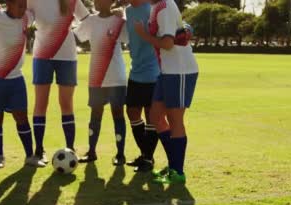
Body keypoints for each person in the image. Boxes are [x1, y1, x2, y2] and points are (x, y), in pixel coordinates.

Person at [134, 0, 198, 184]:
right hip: (167, 71)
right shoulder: (157, 7)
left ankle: (177, 171)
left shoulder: (164, 6)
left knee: (175, 119)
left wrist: (143, 35)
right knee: (155, 116)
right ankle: (173, 165)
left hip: (180, 70)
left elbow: (168, 44)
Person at [0, 0, 46, 168]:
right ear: (8, 3)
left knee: (21, 117)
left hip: (15, 79)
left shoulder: (26, 18)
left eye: (24, 5)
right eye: (19, 5)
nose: (23, 9)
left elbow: (36, 8)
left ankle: (30, 156)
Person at [28, 0, 90, 163]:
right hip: (42, 55)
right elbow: (18, 15)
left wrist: (76, 34)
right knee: (41, 104)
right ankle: (39, 150)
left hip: (68, 57)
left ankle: (70, 148)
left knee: (66, 104)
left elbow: (87, 19)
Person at [74, 0, 128, 165]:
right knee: (95, 114)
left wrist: (123, 15)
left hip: (116, 77)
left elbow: (130, 38)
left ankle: (120, 154)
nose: (97, 2)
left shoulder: (120, 21)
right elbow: (74, 37)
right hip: (96, 77)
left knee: (118, 114)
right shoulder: (90, 21)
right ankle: (91, 152)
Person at [123, 0, 160, 172]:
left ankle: (147, 158)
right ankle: (146, 155)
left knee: (151, 115)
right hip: (135, 70)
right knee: (132, 111)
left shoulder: (152, 9)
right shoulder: (128, 11)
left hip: (153, 71)